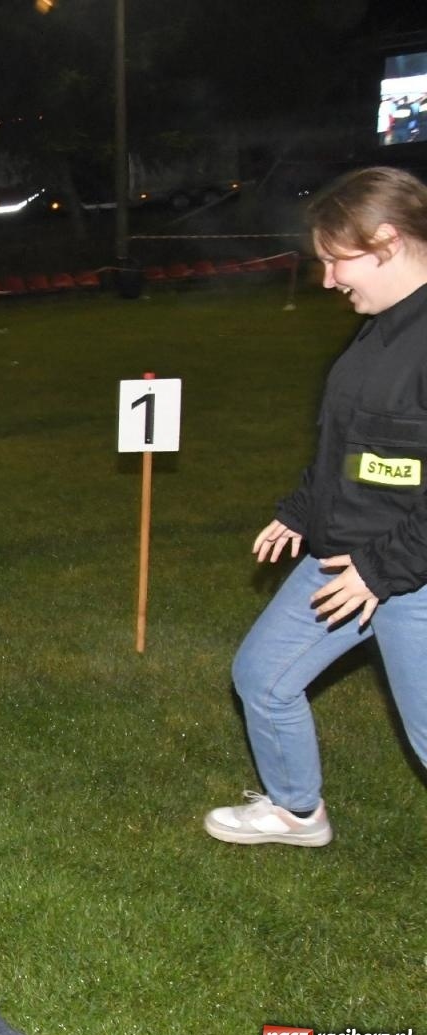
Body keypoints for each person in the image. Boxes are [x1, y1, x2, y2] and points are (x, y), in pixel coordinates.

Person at [205, 167, 427, 848]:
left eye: (337, 261)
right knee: (263, 676)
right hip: (344, 557)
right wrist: (303, 509)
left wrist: (383, 570)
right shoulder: (382, 329)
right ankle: (297, 812)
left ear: (386, 241)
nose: (329, 280)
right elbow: (355, 444)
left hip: (407, 576)